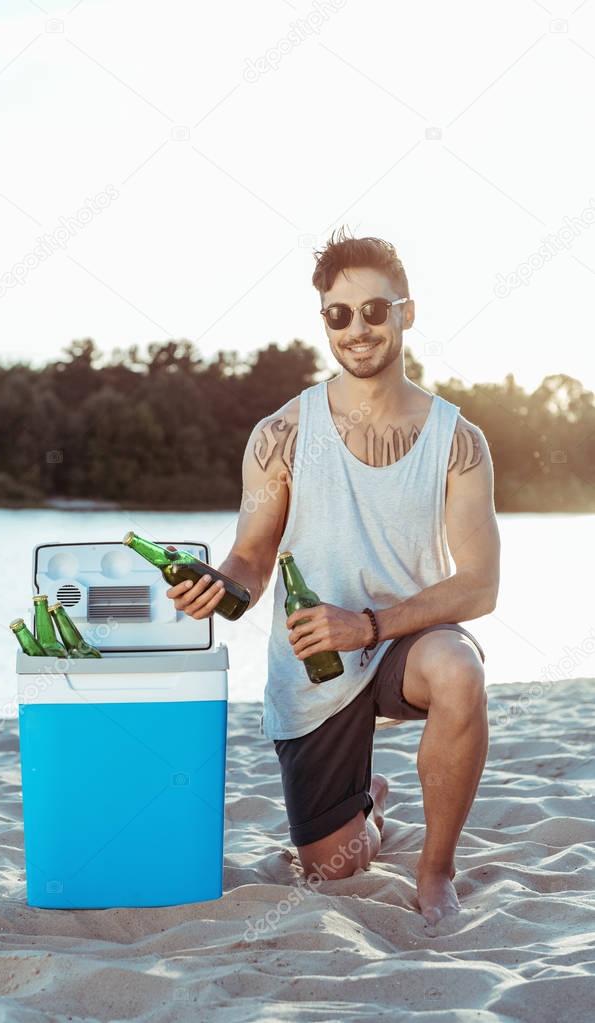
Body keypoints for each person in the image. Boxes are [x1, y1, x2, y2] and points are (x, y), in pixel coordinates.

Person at [166, 227, 501, 925]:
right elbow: (251, 557)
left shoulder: (457, 440)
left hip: (401, 644)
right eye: (338, 314)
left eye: (374, 310)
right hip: (312, 666)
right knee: (332, 870)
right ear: (323, 320)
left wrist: (370, 624)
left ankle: (435, 870)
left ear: (406, 312)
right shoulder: (279, 435)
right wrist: (217, 588)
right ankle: (367, 805)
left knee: (459, 669)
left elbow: (478, 584)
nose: (357, 329)